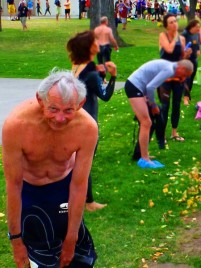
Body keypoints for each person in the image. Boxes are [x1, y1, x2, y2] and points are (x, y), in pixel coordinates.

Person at [3, 69, 98, 267]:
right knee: (40, 260)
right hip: (30, 192)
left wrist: (71, 239)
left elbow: (79, 185)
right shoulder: (16, 125)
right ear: (40, 100)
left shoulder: (87, 128)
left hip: (63, 187)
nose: (60, 118)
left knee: (78, 260)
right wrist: (16, 241)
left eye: (68, 110)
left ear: (80, 104)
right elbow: (13, 185)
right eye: (53, 109)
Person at [67, 30, 117, 211]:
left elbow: (87, 86)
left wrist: (100, 74)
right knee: (84, 163)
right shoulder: (92, 74)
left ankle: (72, 195)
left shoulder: (77, 65)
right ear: (89, 47)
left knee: (75, 162)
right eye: (95, 41)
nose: (99, 43)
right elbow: (105, 96)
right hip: (87, 123)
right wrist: (113, 76)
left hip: (75, 119)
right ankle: (89, 202)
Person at [124, 59, 193, 168]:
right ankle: (144, 159)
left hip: (138, 87)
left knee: (147, 122)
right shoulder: (169, 70)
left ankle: (143, 155)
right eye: (184, 75)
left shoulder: (169, 66)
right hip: (134, 86)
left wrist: (147, 98)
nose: (182, 79)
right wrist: (153, 105)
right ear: (182, 68)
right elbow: (150, 87)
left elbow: (149, 81)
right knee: (146, 122)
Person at [158, 13, 192, 142]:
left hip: (178, 77)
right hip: (165, 77)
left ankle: (174, 132)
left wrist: (186, 54)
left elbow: (180, 58)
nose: (174, 24)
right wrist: (175, 36)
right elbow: (169, 49)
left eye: (175, 21)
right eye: (171, 22)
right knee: (165, 106)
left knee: (176, 105)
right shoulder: (163, 36)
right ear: (166, 25)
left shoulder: (182, 39)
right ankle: (162, 135)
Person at [181, 20, 200, 105]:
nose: (199, 28)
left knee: (192, 78)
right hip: (186, 59)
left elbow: (197, 43)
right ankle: (185, 98)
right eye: (197, 27)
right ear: (192, 27)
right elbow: (180, 47)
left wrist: (198, 50)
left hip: (194, 59)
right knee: (187, 78)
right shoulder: (184, 34)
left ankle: (188, 95)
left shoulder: (196, 34)